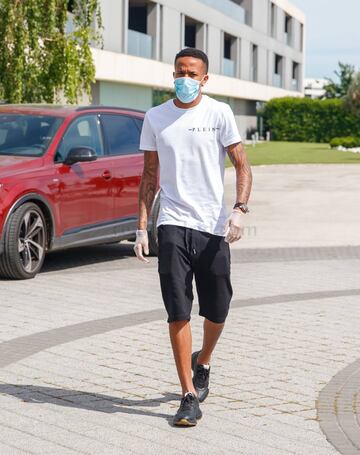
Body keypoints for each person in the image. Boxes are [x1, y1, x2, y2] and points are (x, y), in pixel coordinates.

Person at [134, 47, 252, 427]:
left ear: (204, 78)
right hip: (172, 222)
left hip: (213, 225)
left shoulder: (218, 112)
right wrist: (140, 227)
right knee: (178, 308)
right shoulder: (156, 117)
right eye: (179, 71)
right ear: (173, 74)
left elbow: (241, 163)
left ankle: (202, 361)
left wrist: (239, 209)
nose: (185, 77)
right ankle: (187, 395)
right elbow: (149, 175)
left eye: (192, 72)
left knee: (217, 308)